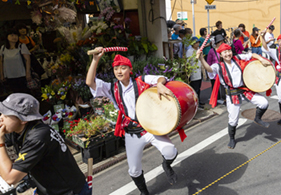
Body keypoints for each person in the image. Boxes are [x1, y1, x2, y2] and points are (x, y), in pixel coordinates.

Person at [86, 52, 178, 195]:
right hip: (132, 133)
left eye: (123, 68)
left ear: (130, 70)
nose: (119, 71)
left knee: (171, 151)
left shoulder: (142, 80)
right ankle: (144, 192)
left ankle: (166, 165)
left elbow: (162, 77)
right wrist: (95, 59)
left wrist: (160, 84)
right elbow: (89, 82)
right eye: (116, 69)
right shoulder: (112, 88)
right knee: (134, 170)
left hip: (150, 127)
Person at [0, 93, 90, 195]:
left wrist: (0, 143)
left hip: (69, 191)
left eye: (6, 115)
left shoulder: (38, 136)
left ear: (23, 119)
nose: (1, 118)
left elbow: (10, 178)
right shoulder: (18, 130)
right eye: (1, 113)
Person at [197, 43, 270, 149]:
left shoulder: (238, 58)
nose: (228, 54)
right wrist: (201, 59)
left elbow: (252, 54)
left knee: (264, 103)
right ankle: (232, 139)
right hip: (232, 94)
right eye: (225, 52)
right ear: (221, 55)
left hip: (244, 90)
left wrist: (261, 59)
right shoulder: (218, 66)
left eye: (229, 51)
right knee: (233, 120)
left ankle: (257, 118)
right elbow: (209, 69)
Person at [0, 29, 31, 94]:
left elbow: (27, 59)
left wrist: (28, 72)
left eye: (16, 35)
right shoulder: (3, 48)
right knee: (14, 94)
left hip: (21, 75)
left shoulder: (21, 46)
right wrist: (1, 74)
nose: (14, 37)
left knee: (24, 93)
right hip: (9, 76)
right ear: (7, 37)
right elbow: (1, 62)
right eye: (12, 35)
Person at [207, 34, 226, 103]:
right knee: (215, 86)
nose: (223, 43)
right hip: (215, 72)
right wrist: (209, 72)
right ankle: (216, 99)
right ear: (219, 42)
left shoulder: (223, 50)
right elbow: (209, 62)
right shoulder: (212, 51)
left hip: (222, 70)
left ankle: (224, 99)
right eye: (222, 41)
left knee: (224, 85)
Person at [186, 37, 203, 106]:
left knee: (199, 87)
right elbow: (188, 62)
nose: (197, 44)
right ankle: (195, 102)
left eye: (198, 42)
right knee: (195, 88)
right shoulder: (190, 51)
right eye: (196, 43)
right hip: (193, 71)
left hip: (199, 70)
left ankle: (199, 100)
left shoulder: (199, 50)